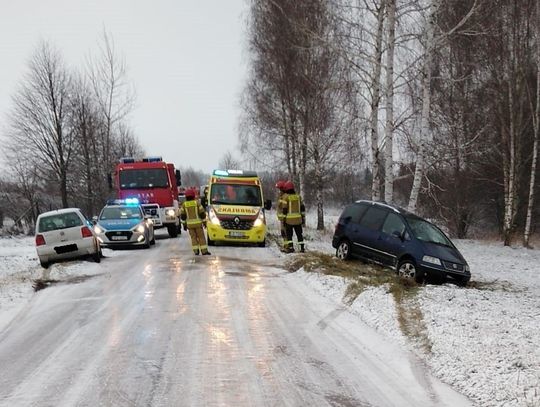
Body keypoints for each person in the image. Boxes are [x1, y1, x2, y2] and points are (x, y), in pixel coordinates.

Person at [180, 188, 211, 255]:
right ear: (193, 195)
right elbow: (202, 214)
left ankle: (196, 251)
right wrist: (204, 222)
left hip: (190, 225)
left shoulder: (184, 205)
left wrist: (184, 225)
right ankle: (204, 251)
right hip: (198, 224)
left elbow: (183, 216)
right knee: (201, 237)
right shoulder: (197, 203)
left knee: (193, 238)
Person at [280, 181, 305, 253]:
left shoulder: (286, 198)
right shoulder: (298, 197)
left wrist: (284, 219)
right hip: (298, 220)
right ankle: (302, 248)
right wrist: (303, 218)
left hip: (289, 220)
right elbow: (302, 208)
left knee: (289, 235)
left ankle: (291, 248)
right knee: (299, 234)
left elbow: (284, 209)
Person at [275, 180, 287, 250]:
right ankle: (285, 245)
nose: (279, 191)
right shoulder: (281, 196)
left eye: (279, 189)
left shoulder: (284, 197)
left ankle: (287, 246)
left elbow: (282, 206)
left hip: (284, 218)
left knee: (284, 232)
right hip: (282, 218)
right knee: (283, 232)